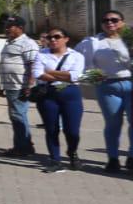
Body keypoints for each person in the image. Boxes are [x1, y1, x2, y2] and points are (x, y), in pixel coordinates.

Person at [79, 10, 132, 173]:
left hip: (131, 84)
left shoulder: (129, 40)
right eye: (106, 20)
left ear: (122, 22)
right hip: (108, 87)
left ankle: (131, 157)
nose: (110, 23)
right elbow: (82, 64)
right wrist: (96, 77)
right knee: (113, 124)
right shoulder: (93, 42)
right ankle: (113, 158)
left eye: (114, 20)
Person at [33, 27, 85, 173]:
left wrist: (49, 72)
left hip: (70, 94)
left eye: (57, 37)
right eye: (50, 37)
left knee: (72, 130)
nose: (53, 40)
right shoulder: (41, 54)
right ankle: (55, 159)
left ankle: (72, 152)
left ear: (66, 39)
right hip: (48, 94)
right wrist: (63, 76)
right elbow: (37, 73)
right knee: (51, 129)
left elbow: (75, 76)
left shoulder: (76, 56)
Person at [0, 15, 39, 156]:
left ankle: (22, 148)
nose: (7, 28)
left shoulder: (27, 43)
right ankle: (26, 145)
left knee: (17, 116)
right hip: (10, 85)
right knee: (18, 116)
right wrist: (2, 84)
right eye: (6, 26)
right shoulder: (9, 42)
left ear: (20, 28)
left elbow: (33, 64)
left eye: (10, 26)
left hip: (19, 86)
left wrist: (30, 85)